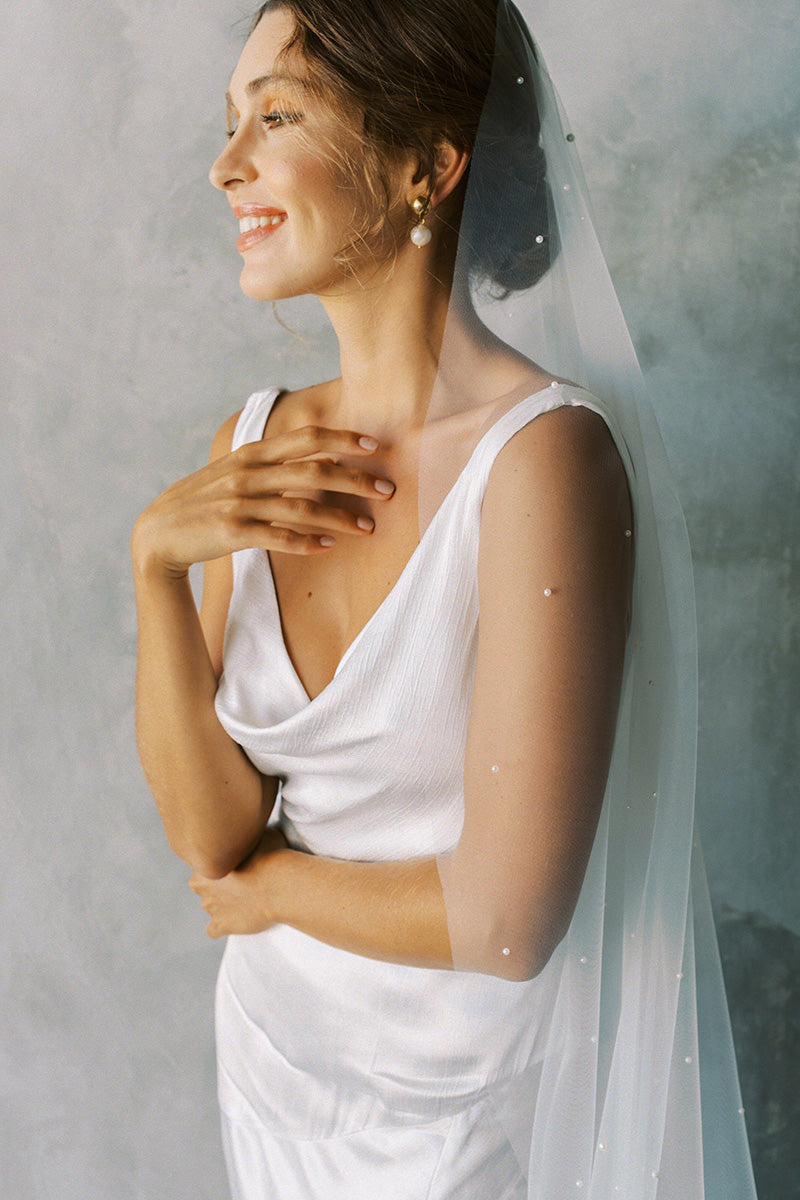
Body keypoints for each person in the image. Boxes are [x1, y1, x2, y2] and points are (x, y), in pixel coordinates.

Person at [132, 1, 758, 1196]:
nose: (225, 168)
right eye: (230, 123)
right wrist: (156, 568)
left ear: (426, 164)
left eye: (276, 115)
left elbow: (509, 920)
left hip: (468, 1119)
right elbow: (208, 833)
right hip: (274, 1069)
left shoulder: (541, 460)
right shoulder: (255, 442)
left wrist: (264, 889)